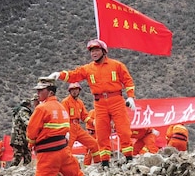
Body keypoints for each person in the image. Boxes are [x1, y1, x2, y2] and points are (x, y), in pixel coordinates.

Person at [26, 78, 109, 176]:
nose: (37, 93)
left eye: (40, 90)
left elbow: (31, 133)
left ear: (49, 91)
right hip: (63, 151)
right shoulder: (61, 107)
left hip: (47, 155)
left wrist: (32, 143)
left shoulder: (41, 109)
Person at [48, 39, 137, 167]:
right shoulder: (88, 68)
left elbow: (128, 81)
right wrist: (60, 75)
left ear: (104, 51)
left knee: (123, 130)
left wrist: (130, 97)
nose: (94, 53)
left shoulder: (117, 65)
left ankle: (129, 158)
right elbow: (74, 75)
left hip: (116, 100)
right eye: (92, 51)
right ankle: (105, 162)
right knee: (101, 133)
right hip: (99, 103)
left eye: (96, 50)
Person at [61, 82, 101, 165]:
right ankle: (64, 168)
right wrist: (66, 131)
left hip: (78, 127)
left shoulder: (80, 103)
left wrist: (93, 122)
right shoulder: (66, 102)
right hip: (70, 128)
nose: (74, 91)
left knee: (94, 144)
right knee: (67, 150)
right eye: (72, 90)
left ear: (79, 91)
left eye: (76, 89)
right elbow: (64, 117)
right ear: (70, 91)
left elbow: (84, 116)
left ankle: (97, 165)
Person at [10, 97, 36, 166]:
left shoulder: (18, 111)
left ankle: (24, 171)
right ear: (28, 105)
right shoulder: (23, 111)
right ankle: (10, 170)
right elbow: (27, 122)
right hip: (19, 138)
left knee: (27, 155)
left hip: (22, 137)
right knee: (18, 156)